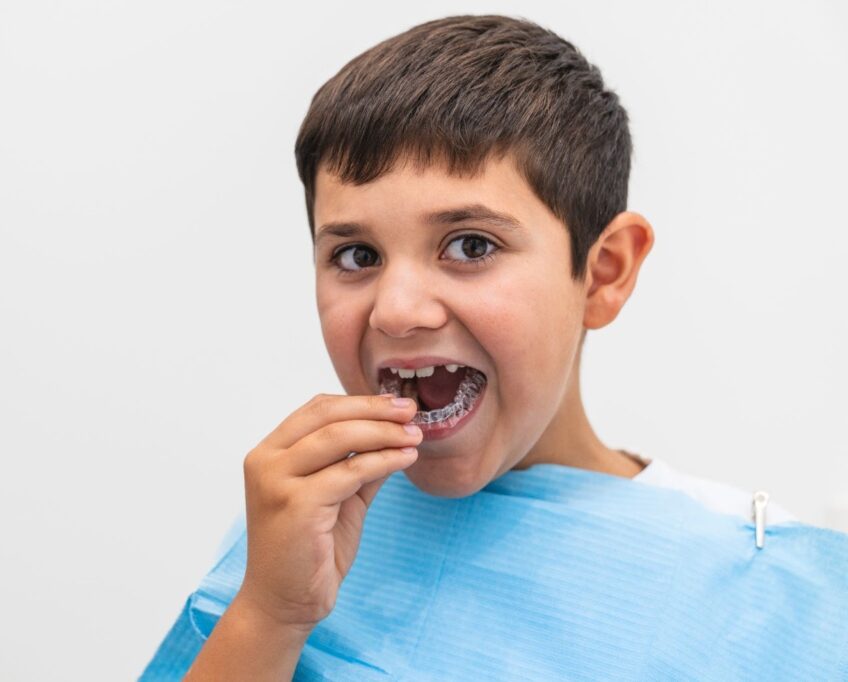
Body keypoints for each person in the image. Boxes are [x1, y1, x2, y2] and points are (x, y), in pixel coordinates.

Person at [139, 15, 847, 680]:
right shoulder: (296, 533)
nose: (398, 310)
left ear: (603, 273)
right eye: (356, 255)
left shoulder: (771, 595)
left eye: (470, 245)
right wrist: (269, 614)